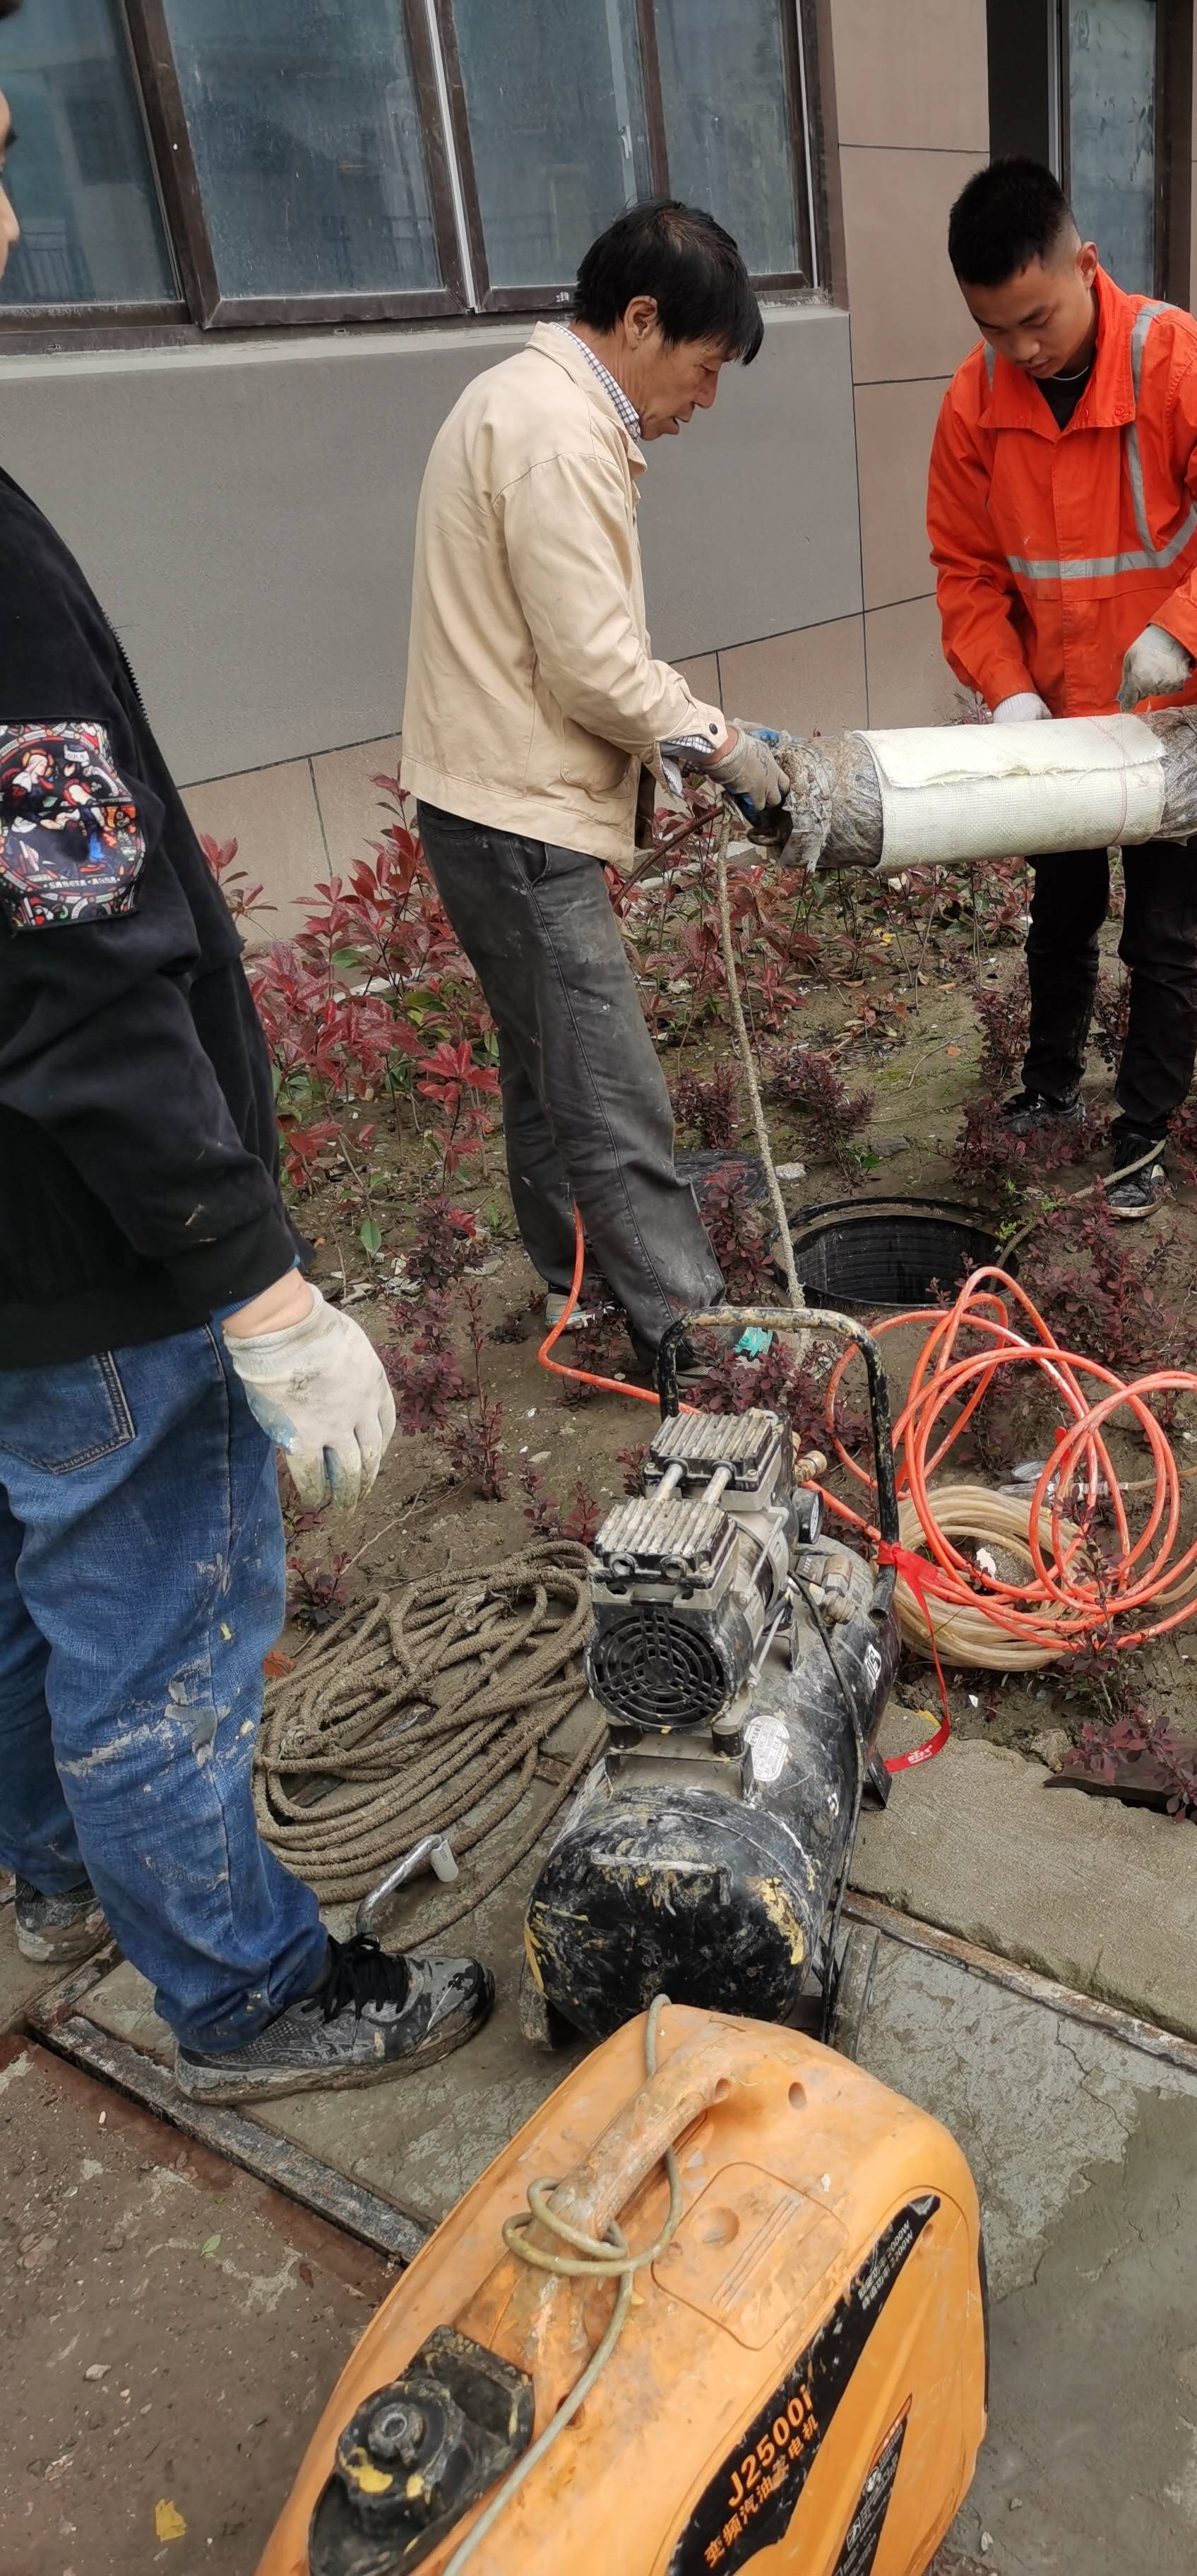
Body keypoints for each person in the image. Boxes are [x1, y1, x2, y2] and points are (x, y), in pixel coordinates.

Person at [0, 85, 492, 2104]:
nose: (21, 225)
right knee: (167, 1631)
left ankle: (50, 1879)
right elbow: (79, 966)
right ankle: (244, 1993)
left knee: (37, 1587)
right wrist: (257, 1285)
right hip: (87, 1239)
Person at [403, 199, 787, 1356]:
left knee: (546, 1070)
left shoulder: (517, 403)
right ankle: (695, 1337)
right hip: (517, 823)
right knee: (611, 1090)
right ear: (638, 320)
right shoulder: (560, 434)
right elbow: (596, 668)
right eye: (706, 367)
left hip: (484, 805)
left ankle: (583, 1293)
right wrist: (724, 746)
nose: (705, 401)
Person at [929, 160, 1197, 1217]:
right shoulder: (976, 402)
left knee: (1161, 932)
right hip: (1055, 721)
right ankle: (1048, 1090)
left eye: (1037, 320)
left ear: (1084, 265)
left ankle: (1144, 1131)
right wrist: (1007, 693)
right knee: (1058, 918)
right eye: (994, 329)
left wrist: (1183, 634)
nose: (1021, 350)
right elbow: (966, 573)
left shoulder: (1176, 362)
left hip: (1169, 720)